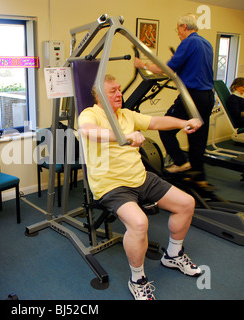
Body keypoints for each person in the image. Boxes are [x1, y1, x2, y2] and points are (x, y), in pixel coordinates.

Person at [78, 74, 203, 300]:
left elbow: (155, 122)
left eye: (119, 89)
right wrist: (123, 137)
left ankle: (173, 255)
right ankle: (137, 278)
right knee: (139, 223)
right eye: (112, 91)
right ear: (99, 97)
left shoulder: (127, 114)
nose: (119, 94)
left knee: (186, 203)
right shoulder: (91, 114)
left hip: (140, 177)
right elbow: (88, 131)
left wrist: (183, 123)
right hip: (111, 184)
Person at [134, 13, 214, 189]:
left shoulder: (189, 42)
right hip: (207, 96)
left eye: (178, 28)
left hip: (192, 96)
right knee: (197, 137)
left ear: (184, 27)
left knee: (166, 129)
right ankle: (198, 178)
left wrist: (143, 65)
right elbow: (196, 68)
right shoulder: (205, 43)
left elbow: (166, 70)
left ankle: (181, 162)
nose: (177, 32)